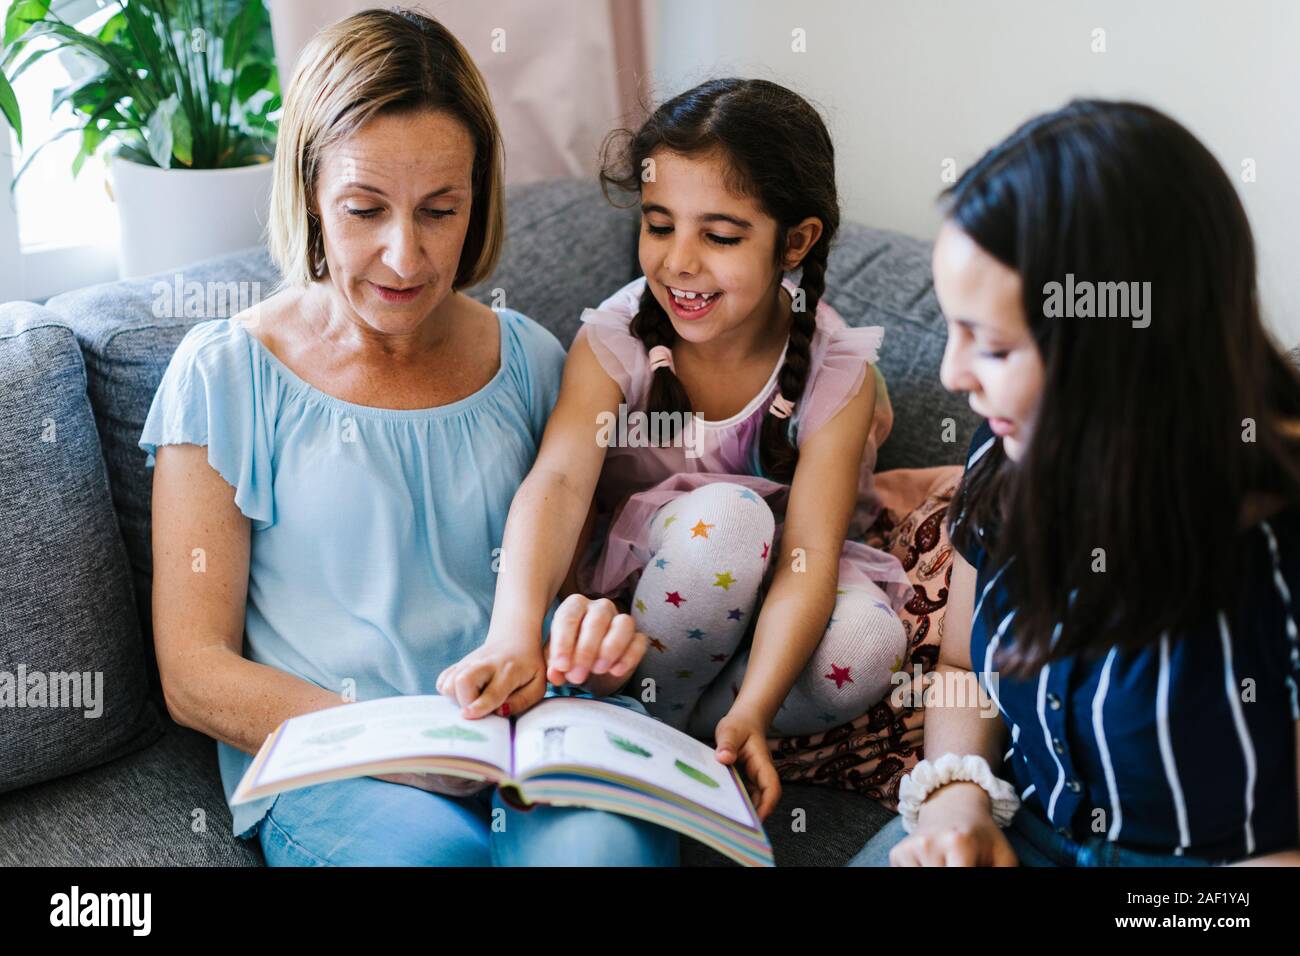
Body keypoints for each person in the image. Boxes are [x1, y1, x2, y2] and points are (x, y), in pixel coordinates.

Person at [139, 7, 677, 867]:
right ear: (311, 194)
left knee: (605, 857)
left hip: (524, 746)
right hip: (339, 765)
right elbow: (194, 672)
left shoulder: (533, 363)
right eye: (364, 209)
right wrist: (395, 745)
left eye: (439, 210)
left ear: (478, 201)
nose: (404, 257)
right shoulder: (224, 377)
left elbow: (558, 596)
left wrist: (589, 647)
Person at [437, 78, 912, 821]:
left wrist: (753, 710)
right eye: (660, 225)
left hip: (773, 599)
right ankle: (647, 725)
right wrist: (513, 635)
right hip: (647, 603)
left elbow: (810, 555)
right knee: (728, 519)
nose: (680, 263)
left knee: (869, 640)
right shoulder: (614, 341)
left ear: (795, 240)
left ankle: (705, 740)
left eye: (720, 236)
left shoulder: (840, 367)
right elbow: (558, 482)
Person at [848, 99, 1300, 867]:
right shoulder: (1006, 456)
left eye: (989, 347)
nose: (954, 375)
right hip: (1017, 828)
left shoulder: (1273, 551)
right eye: (953, 328)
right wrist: (958, 805)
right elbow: (963, 672)